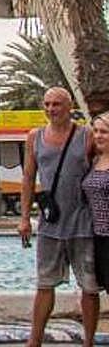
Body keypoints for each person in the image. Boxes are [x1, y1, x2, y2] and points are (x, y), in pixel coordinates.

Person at [20, 87, 98, 347]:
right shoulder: (35, 137)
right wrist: (23, 219)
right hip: (50, 224)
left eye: (57, 104)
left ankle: (88, 341)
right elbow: (29, 178)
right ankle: (35, 341)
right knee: (44, 284)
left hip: (83, 224)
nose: (51, 109)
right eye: (47, 104)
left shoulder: (87, 136)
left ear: (69, 106)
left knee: (89, 286)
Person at [82, 112, 109, 296]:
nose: (98, 135)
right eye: (96, 131)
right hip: (99, 236)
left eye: (104, 132)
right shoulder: (95, 160)